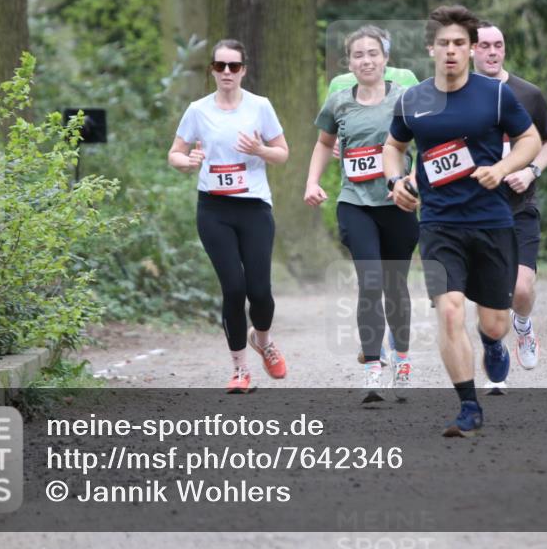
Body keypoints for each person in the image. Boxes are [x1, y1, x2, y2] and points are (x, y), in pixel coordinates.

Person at [383, 5, 541, 436]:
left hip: (491, 221)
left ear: (471, 50)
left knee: (493, 321)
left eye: (458, 44)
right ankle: (468, 405)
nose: (450, 51)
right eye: (443, 44)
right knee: (450, 312)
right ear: (431, 49)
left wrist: (505, 168)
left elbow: (531, 139)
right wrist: (396, 180)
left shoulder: (493, 95)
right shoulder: (412, 100)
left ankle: (492, 342)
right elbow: (393, 147)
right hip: (438, 225)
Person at [168, 39, 290, 394]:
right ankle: (240, 370)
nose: (226, 72)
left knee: (261, 292)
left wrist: (260, 149)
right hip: (214, 209)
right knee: (233, 290)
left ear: (243, 71)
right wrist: (187, 162)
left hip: (254, 207)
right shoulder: (198, 110)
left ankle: (263, 341)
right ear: (211, 70)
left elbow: (283, 154)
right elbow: (175, 154)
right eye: (220, 66)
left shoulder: (260, 107)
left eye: (233, 67)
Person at [306, 26, 419, 404]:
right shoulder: (338, 101)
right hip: (355, 203)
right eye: (358, 55)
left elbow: (427, 145)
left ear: (386, 59)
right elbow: (323, 144)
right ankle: (373, 367)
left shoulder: (406, 99)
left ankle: (402, 361)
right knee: (370, 282)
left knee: (395, 287)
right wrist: (312, 182)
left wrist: (415, 180)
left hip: (399, 205)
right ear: (349, 62)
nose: (366, 60)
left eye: (373, 53)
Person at [474, 21, 547, 375]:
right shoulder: (459, 97)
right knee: (490, 297)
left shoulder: (528, 94)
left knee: (521, 289)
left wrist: (531, 171)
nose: (493, 52)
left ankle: (523, 327)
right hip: (478, 211)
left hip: (520, 207)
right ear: (471, 51)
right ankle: (493, 348)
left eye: (498, 45)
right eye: (485, 46)